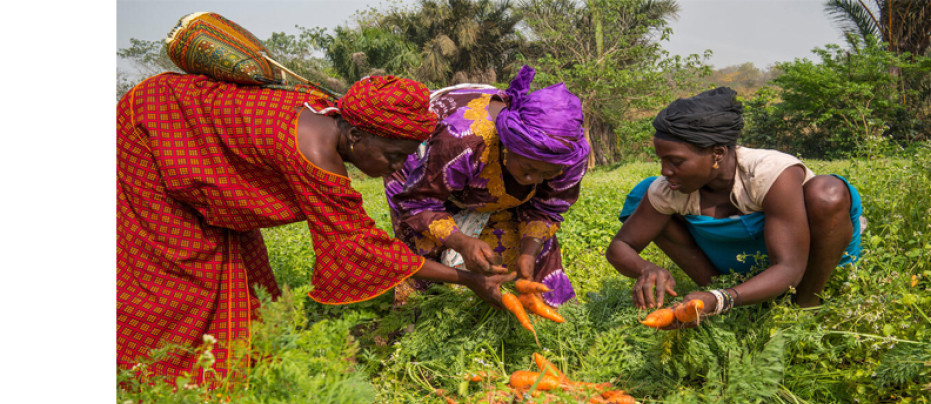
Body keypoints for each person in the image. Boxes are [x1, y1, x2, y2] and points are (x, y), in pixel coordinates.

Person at [117, 72, 514, 384]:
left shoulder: (333, 117)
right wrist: (466, 278)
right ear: (356, 135)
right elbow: (360, 248)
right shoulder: (313, 153)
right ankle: (150, 382)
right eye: (393, 156)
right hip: (153, 132)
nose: (397, 168)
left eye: (406, 157)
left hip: (187, 127)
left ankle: (237, 374)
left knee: (247, 273)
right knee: (181, 273)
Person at [606, 87, 865, 325]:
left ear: (717, 154)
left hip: (803, 260)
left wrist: (721, 299)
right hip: (739, 260)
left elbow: (789, 268)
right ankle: (720, 291)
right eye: (662, 160)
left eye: (675, 161)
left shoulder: (769, 172)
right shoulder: (670, 188)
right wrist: (647, 268)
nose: (666, 171)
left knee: (826, 193)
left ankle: (807, 305)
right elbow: (620, 246)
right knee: (646, 192)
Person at [385, 65, 590, 307]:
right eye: (528, 169)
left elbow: (546, 209)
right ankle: (418, 319)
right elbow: (417, 203)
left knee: (529, 255)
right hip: (424, 174)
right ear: (507, 145)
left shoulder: (569, 156)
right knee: (424, 248)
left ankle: (541, 316)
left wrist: (528, 251)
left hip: (479, 175)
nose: (534, 180)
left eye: (547, 173)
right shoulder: (463, 139)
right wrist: (461, 242)